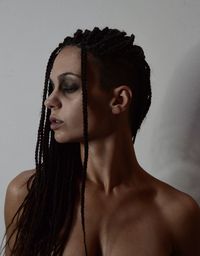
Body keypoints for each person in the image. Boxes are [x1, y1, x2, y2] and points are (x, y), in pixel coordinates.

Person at [3, 27, 200, 256]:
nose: (50, 100)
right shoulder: (30, 193)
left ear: (119, 99)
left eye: (68, 87)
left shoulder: (176, 214)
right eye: (51, 87)